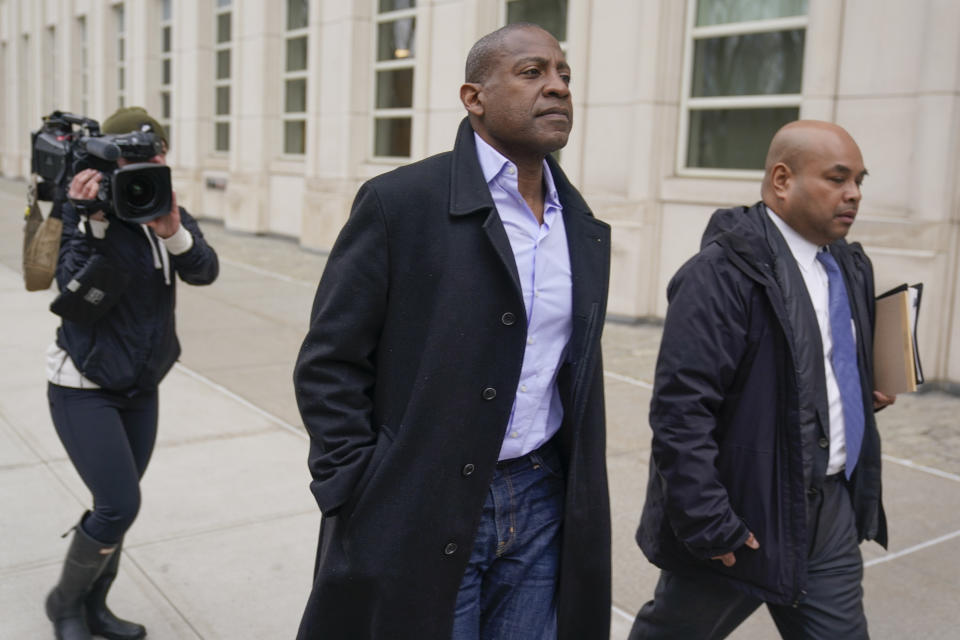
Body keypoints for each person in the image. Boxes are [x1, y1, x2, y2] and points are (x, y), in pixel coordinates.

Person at [293, 23, 611, 640]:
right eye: (531, 72)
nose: (557, 88)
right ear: (474, 97)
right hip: (420, 502)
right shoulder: (399, 203)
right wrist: (357, 487)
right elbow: (329, 362)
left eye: (564, 74)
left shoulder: (579, 224)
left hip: (542, 499)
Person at [630, 120, 896, 639]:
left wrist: (853, 395)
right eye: (837, 179)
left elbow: (809, 368)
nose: (854, 194)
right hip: (746, 517)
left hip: (829, 515)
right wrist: (711, 523)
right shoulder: (720, 276)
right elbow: (681, 412)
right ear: (781, 180)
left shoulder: (847, 265)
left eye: (860, 181)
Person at [44, 106, 219, 640]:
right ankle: (65, 604)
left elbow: (204, 271)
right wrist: (85, 221)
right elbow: (75, 302)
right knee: (120, 504)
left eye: (156, 152)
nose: (149, 163)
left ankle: (96, 605)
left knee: (116, 508)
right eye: (134, 155)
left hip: (142, 386)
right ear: (109, 158)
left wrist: (172, 232)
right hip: (84, 386)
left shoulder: (162, 203)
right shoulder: (88, 213)